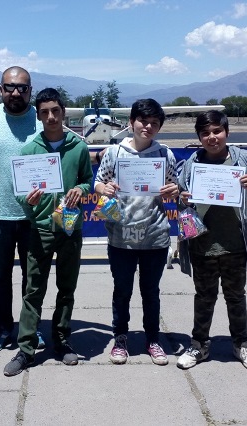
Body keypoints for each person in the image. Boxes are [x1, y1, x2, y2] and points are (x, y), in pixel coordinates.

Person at [3, 88, 93, 377]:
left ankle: (62, 341)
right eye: (45, 112)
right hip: (40, 228)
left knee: (66, 289)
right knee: (33, 291)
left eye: (55, 110)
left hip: (69, 228)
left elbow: (88, 180)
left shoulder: (78, 148)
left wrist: (81, 189)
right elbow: (20, 194)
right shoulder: (29, 150)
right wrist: (27, 201)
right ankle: (26, 349)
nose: (51, 116)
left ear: (63, 112)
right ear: (38, 116)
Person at [176, 110, 247, 372]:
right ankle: (199, 345)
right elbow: (181, 199)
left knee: (236, 297)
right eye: (205, 133)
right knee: (204, 298)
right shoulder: (192, 163)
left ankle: (242, 344)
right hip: (202, 244)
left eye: (217, 131)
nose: (212, 137)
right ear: (199, 137)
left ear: (227, 132)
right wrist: (182, 198)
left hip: (235, 245)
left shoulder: (245, 159)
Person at [93, 99, 179, 366]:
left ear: (159, 127)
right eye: (143, 121)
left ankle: (152, 339)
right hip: (121, 236)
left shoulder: (165, 154)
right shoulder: (114, 153)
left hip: (155, 235)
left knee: (150, 292)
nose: (148, 127)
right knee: (122, 291)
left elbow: (173, 187)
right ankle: (120, 338)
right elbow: (98, 182)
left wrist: (173, 191)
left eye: (154, 123)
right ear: (131, 122)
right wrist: (105, 189)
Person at [0, 66, 46, 353]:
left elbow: (67, 145)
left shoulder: (42, 117)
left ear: (30, 90)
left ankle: (30, 327)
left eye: (22, 87)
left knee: (33, 278)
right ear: (0, 89)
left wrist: (100, 154)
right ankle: (2, 327)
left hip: (34, 215)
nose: (16, 92)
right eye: (10, 87)